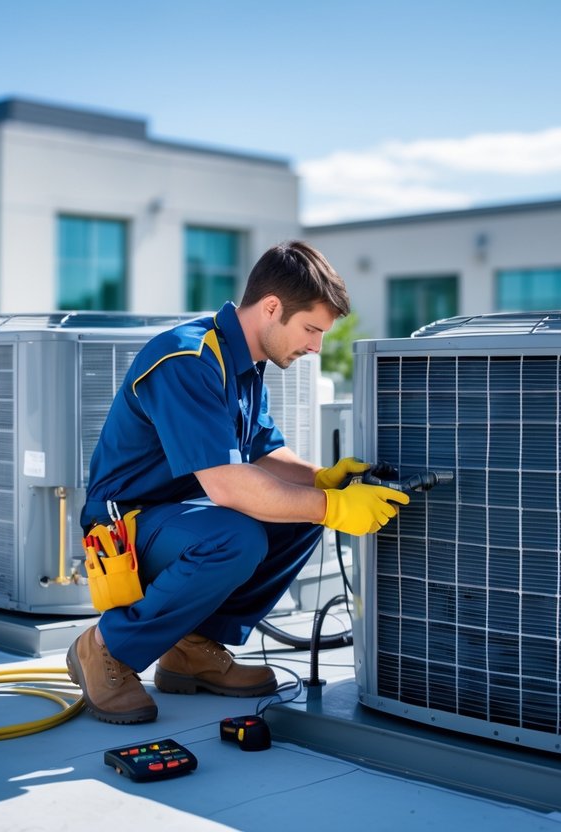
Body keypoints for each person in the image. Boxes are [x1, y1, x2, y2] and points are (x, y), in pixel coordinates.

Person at [67, 240, 409, 724]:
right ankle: (105, 647)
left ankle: (190, 647)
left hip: (179, 520)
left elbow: (266, 455)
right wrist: (331, 507)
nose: (316, 346)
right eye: (311, 329)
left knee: (301, 513)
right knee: (242, 535)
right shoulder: (187, 359)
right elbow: (228, 486)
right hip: (123, 529)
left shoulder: (244, 365)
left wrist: (326, 482)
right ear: (272, 308)